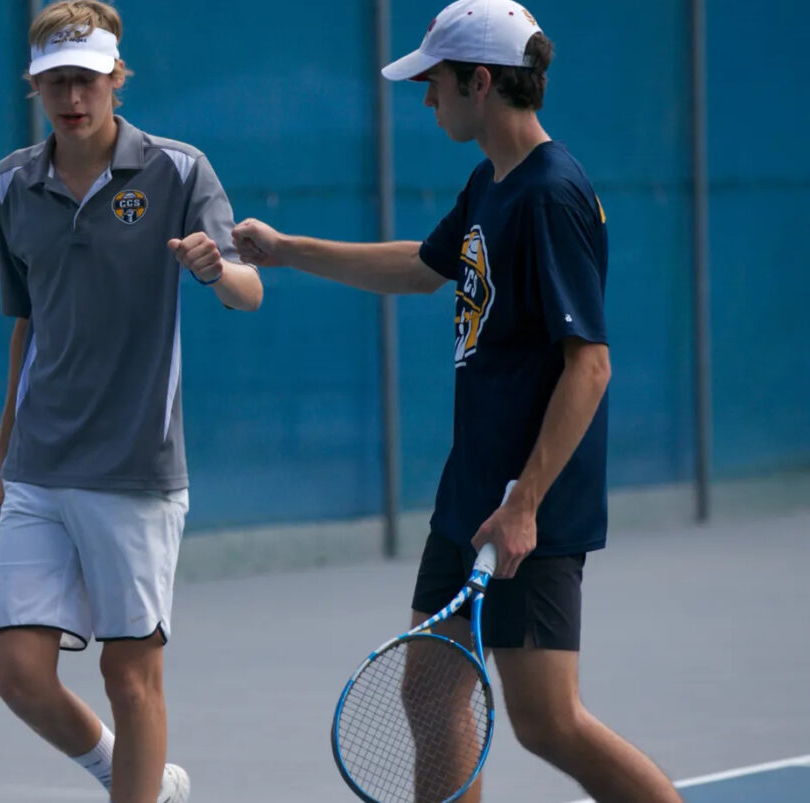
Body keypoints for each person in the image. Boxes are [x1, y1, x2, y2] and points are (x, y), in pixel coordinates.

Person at [233, 1, 680, 800]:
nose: (425, 97)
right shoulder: (492, 182)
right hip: (470, 492)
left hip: (523, 506)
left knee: (549, 722)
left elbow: (592, 366)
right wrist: (288, 251)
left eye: (434, 81)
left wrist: (524, 504)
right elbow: (422, 265)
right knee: (431, 692)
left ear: (482, 82)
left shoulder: (551, 195)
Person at [0, 3, 263, 802]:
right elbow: (26, 325)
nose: (72, 97)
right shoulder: (11, 184)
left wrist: (215, 269)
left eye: (86, 78)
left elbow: (249, 293)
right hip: (39, 464)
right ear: (35, 86)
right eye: (54, 82)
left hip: (135, 469)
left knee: (129, 672)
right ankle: (137, 780)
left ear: (117, 77)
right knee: (18, 675)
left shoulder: (180, 172)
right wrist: (3, 455)